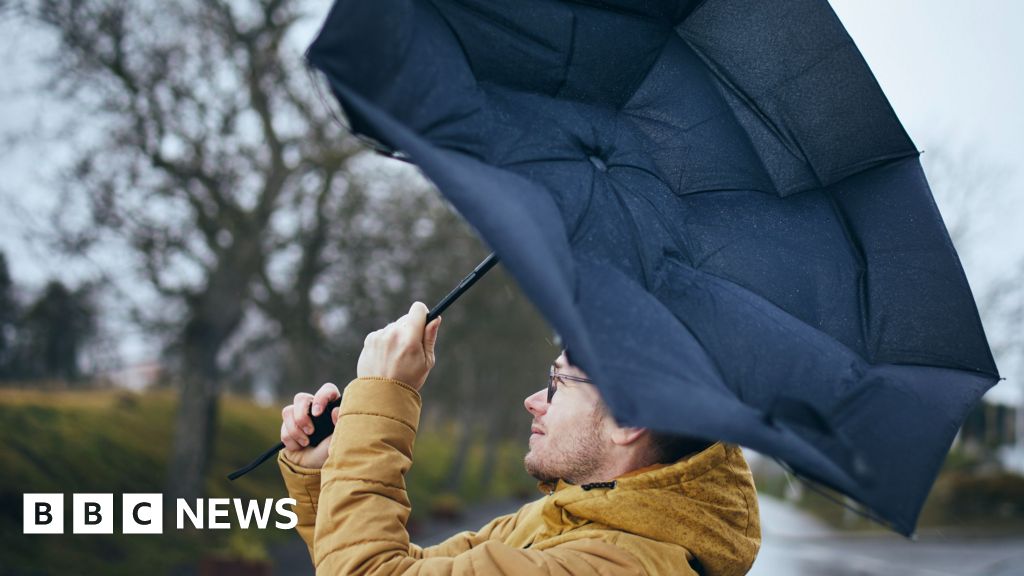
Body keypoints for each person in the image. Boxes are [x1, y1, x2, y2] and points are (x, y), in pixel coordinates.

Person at [278, 302, 760, 575]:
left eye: (559, 383)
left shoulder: (613, 568)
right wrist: (325, 473)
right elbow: (395, 565)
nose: (535, 400)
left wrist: (384, 396)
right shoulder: (566, 518)